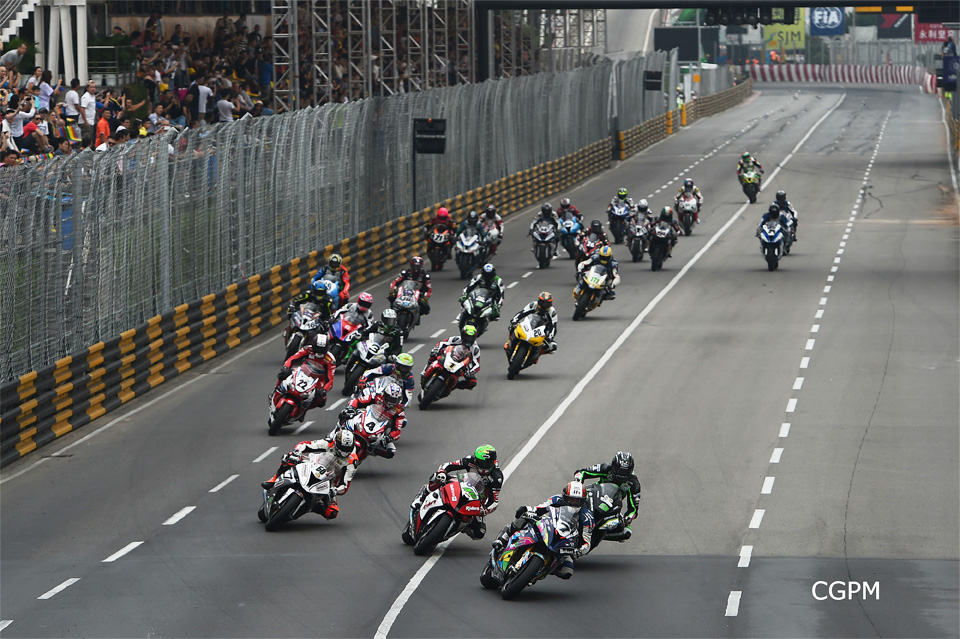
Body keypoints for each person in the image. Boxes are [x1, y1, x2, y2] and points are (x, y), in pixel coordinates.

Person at [491, 481, 594, 579]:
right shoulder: (556, 499)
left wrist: (579, 551)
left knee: (567, 571)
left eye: (577, 501)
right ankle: (504, 537)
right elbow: (541, 508)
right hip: (548, 526)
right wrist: (528, 510)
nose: (573, 503)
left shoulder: (587, 517)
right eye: (571, 499)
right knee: (522, 516)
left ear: (583, 501)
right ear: (564, 497)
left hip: (565, 540)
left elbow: (587, 540)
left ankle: (539, 572)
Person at [405, 444, 503, 543]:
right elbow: (448, 465)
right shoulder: (470, 460)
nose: (484, 467)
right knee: (436, 477)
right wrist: (442, 472)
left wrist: (484, 510)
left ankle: (460, 526)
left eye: (487, 464)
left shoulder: (497, 477)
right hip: (461, 484)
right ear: (476, 460)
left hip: (475, 501)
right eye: (481, 463)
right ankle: (424, 494)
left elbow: (494, 501)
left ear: (494, 462)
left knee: (479, 533)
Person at [260, 430, 360, 520]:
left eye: (347, 449)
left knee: (332, 512)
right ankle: (274, 479)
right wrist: (297, 452)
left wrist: (335, 490)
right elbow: (306, 444)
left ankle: (310, 507)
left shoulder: (352, 461)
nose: (344, 452)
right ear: (337, 443)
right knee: (288, 458)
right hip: (311, 464)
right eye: (342, 448)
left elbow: (345, 485)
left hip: (328, 482)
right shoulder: (329, 443)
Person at [574, 451, 642, 542]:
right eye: (620, 470)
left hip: (612, 506)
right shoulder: (606, 468)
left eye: (626, 471)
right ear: (614, 466)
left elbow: (633, 508)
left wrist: (627, 518)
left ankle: (598, 534)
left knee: (626, 531)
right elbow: (582, 472)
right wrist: (578, 482)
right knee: (573, 500)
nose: (622, 474)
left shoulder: (634, 483)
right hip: (593, 496)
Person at [339, 380, 406, 458]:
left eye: (394, 400)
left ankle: (370, 450)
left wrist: (389, 437)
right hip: (366, 418)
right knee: (345, 415)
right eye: (390, 398)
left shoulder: (399, 411)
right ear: (385, 395)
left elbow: (397, 431)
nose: (391, 402)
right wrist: (351, 408)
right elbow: (358, 401)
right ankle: (332, 436)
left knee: (391, 452)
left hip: (380, 431)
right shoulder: (377, 396)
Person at [276, 333, 336, 412]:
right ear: (313, 345)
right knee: (284, 374)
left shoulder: (330, 360)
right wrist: (286, 367)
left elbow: (330, 379)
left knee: (321, 401)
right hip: (302, 371)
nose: (319, 351)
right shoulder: (307, 349)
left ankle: (303, 410)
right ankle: (276, 390)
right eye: (317, 348)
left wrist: (324, 390)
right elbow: (293, 358)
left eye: (322, 349)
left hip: (318, 380)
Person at [422, 324, 481, 393]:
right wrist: (435, 350)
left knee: (472, 382)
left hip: (463, 365)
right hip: (449, 356)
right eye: (467, 337)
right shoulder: (455, 339)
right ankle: (426, 370)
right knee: (433, 355)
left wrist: (471, 372)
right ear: (462, 335)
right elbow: (442, 343)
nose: (469, 339)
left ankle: (454, 385)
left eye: (471, 338)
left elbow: (477, 364)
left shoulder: (475, 349)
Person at [507, 291, 558, 356]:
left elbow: (553, 326)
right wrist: (515, 320)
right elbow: (522, 313)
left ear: (550, 304)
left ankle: (537, 354)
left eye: (547, 303)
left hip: (542, 330)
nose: (544, 305)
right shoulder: (533, 305)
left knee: (553, 347)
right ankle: (509, 342)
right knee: (512, 326)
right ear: (539, 301)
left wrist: (550, 337)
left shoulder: (552, 312)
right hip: (530, 323)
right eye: (542, 302)